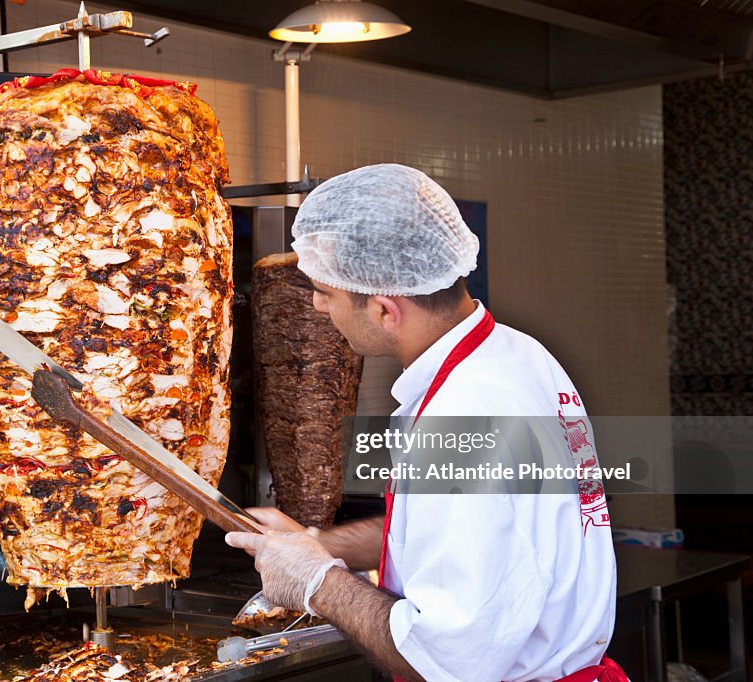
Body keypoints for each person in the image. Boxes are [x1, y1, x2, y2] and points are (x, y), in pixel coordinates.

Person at [225, 164, 622, 682]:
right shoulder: (518, 355)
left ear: (387, 310)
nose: (318, 307)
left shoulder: (467, 414)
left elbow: (442, 662)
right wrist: (317, 543)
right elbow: (455, 528)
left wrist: (315, 582)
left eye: (326, 292)